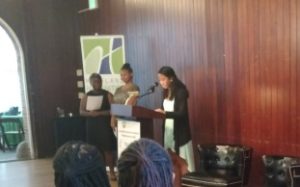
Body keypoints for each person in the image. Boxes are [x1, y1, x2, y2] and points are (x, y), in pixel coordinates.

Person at [155, 66, 195, 172]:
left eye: (163, 79)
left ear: (171, 78)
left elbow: (182, 114)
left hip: (180, 133)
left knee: (183, 166)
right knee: (170, 162)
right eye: (159, 80)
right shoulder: (165, 92)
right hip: (168, 131)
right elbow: (164, 110)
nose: (161, 82)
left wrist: (165, 113)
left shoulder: (181, 92)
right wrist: (159, 112)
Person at [79, 73, 117, 180]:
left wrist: (100, 113)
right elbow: (81, 111)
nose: (97, 83)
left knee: (107, 149)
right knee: (92, 149)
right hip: (92, 125)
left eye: (99, 81)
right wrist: (90, 114)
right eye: (95, 81)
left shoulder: (108, 94)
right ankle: (95, 172)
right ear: (91, 83)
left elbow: (114, 110)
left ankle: (112, 172)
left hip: (104, 124)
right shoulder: (86, 96)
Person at [111, 63, 139, 130]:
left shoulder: (134, 87)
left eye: (125, 75)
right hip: (116, 118)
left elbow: (131, 104)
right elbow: (113, 104)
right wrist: (113, 118)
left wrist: (117, 113)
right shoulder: (118, 89)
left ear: (131, 74)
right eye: (121, 75)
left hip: (128, 119)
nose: (123, 77)